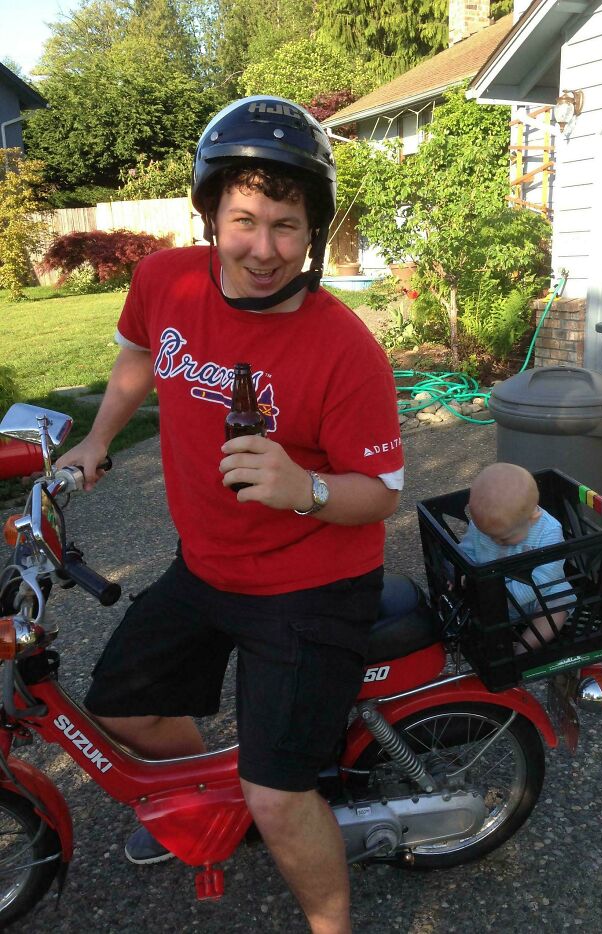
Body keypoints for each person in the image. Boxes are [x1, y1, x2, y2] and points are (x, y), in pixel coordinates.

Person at [56, 96, 404, 934]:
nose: (263, 248)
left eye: (287, 225)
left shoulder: (343, 347)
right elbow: (139, 354)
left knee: (280, 793)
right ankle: (219, 801)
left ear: (312, 232)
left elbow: (382, 492)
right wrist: (98, 440)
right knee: (120, 709)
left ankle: (327, 917)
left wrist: (305, 488)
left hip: (312, 587)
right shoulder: (165, 279)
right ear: (211, 210)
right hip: (206, 563)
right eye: (244, 218)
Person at [457, 463, 572, 654]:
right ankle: (492, 644)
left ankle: (524, 648)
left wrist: (502, 598)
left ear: (532, 518)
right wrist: (461, 572)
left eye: (503, 538)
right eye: (489, 535)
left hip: (539, 595)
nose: (495, 541)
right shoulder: (485, 525)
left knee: (559, 604)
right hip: (492, 596)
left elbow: (544, 578)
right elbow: (466, 551)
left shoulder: (549, 531)